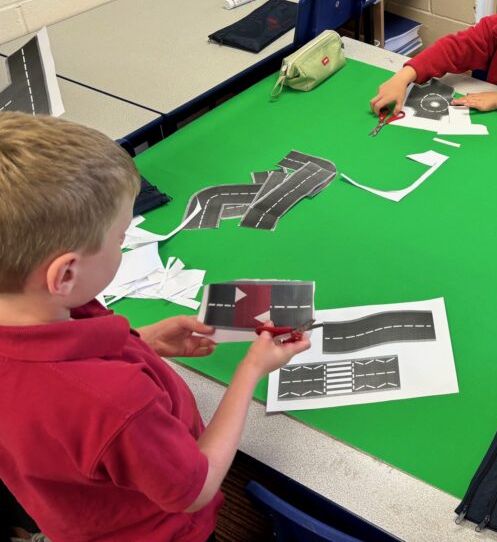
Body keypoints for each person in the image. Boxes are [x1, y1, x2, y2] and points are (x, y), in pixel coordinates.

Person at [0, 112, 310, 542]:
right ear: (65, 275)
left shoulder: (46, 312)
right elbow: (194, 490)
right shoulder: (117, 403)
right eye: (121, 236)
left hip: (75, 516)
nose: (125, 243)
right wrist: (250, 371)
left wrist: (143, 340)